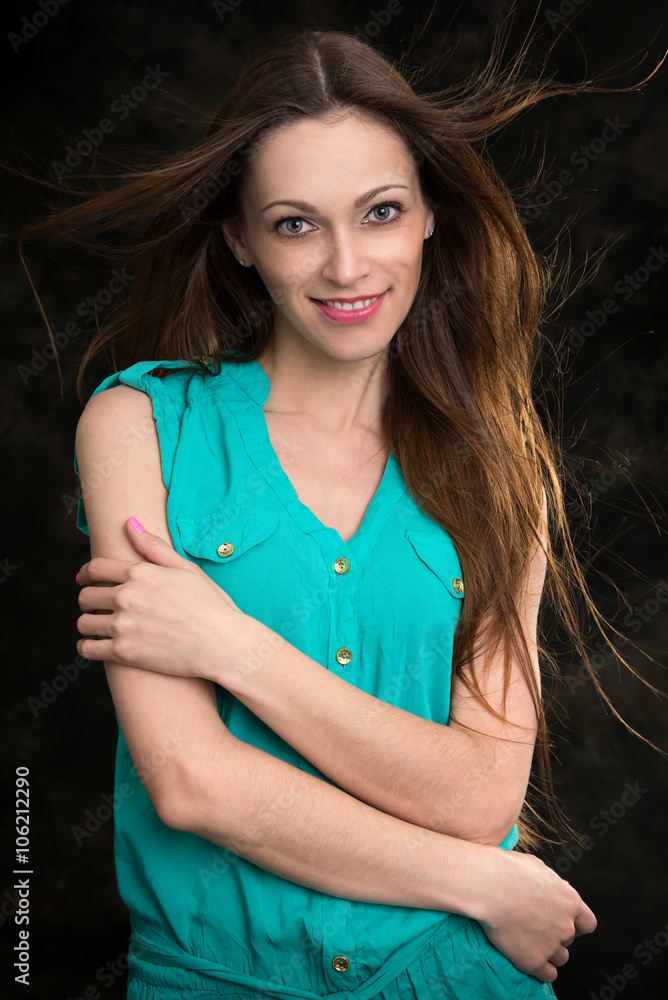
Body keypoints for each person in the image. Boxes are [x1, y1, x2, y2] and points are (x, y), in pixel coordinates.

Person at [19, 18, 665, 1000]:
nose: (345, 267)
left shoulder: (501, 472)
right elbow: (193, 784)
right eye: (294, 223)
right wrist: (484, 878)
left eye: (377, 212)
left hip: (453, 974)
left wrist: (231, 646)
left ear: (427, 217)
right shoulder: (142, 426)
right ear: (238, 237)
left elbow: (478, 790)